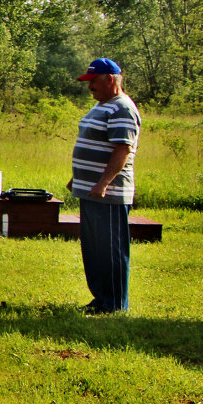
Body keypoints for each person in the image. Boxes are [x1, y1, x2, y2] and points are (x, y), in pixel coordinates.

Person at [67, 57, 142, 314]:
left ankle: (115, 304)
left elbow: (122, 150)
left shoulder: (122, 108)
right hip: (89, 190)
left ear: (110, 79)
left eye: (94, 81)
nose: (90, 88)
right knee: (94, 248)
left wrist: (102, 183)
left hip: (108, 193)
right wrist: (78, 177)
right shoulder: (103, 105)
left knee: (110, 250)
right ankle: (100, 298)